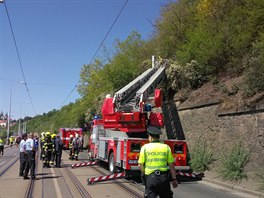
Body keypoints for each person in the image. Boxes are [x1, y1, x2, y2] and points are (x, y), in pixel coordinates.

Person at [138, 126, 178, 198]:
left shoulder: (145, 147)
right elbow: (171, 165)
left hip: (151, 178)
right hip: (163, 179)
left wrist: (145, 175)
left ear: (150, 137)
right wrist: (174, 179)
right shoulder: (166, 147)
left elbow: (140, 165)